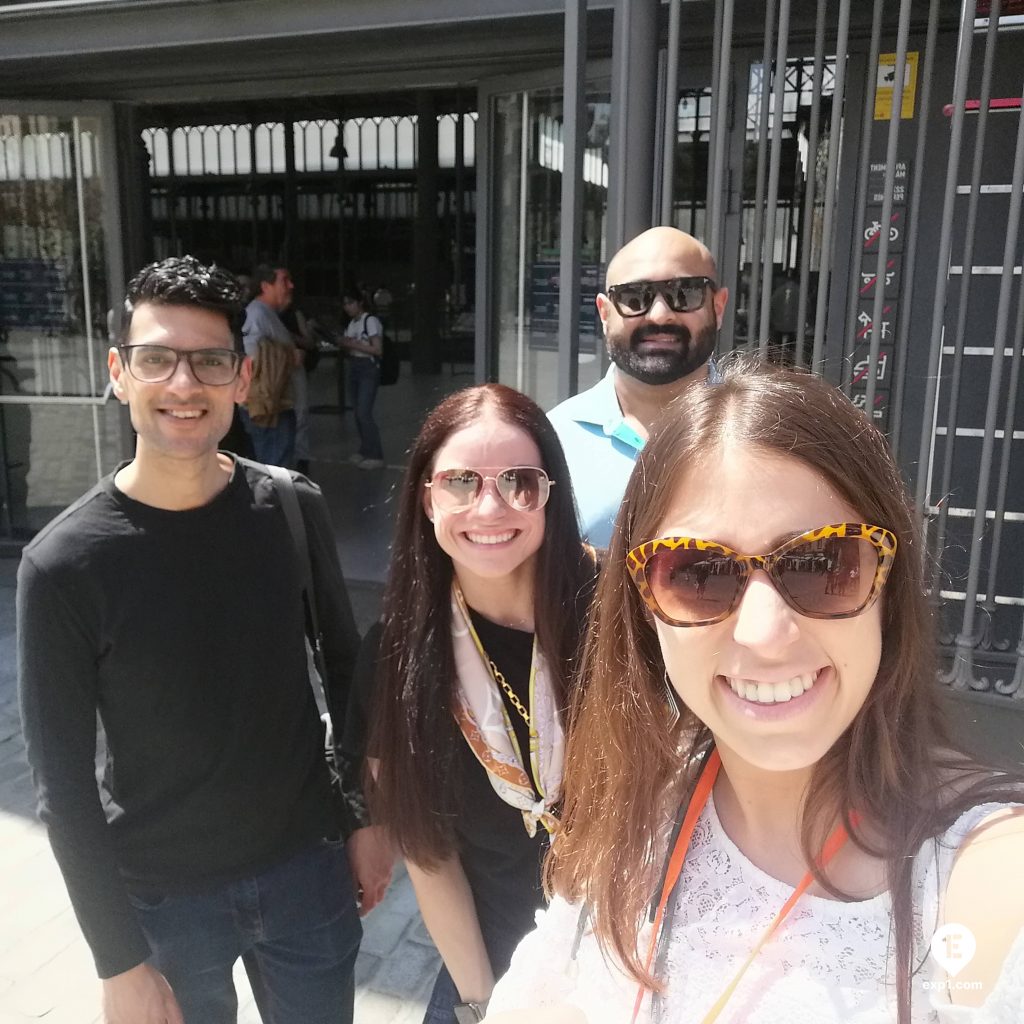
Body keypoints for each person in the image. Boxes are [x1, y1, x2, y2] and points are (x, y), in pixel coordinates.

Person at [487, 358, 1024, 1023]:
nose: (766, 633)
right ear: (643, 608)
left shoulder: (986, 881)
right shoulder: (638, 802)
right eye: (699, 573)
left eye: (824, 562)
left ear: (887, 584)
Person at [17, 256, 370, 1024]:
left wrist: (364, 817)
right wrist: (119, 961)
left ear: (241, 379)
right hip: (164, 903)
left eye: (209, 362)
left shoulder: (288, 508)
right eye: (156, 360)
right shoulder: (63, 564)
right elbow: (64, 787)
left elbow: (346, 671)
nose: (184, 385)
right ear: (119, 372)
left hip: (304, 872)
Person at [360, 383, 597, 1024]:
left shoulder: (616, 613)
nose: (490, 508)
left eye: (519, 482)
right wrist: (480, 1002)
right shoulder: (397, 653)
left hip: (625, 960)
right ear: (426, 497)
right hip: (492, 965)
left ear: (551, 495)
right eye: (462, 482)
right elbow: (430, 857)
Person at [548, 227, 729, 547]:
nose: (660, 315)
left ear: (718, 307)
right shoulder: (552, 440)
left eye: (684, 293)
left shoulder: (768, 432)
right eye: (634, 297)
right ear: (604, 313)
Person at [240, 263, 300, 467]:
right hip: (269, 407)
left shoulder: (266, 314)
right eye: (284, 280)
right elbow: (251, 358)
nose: (291, 285)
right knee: (275, 469)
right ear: (266, 286)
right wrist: (290, 356)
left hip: (275, 404)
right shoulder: (257, 314)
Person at [339, 287, 385, 469]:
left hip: (367, 367)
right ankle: (365, 449)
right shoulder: (352, 324)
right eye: (345, 304)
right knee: (358, 412)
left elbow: (377, 349)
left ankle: (376, 454)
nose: (347, 307)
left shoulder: (370, 321)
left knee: (364, 412)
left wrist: (354, 344)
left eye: (350, 303)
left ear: (360, 303)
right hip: (355, 366)